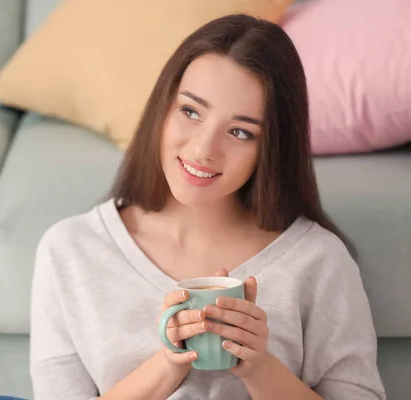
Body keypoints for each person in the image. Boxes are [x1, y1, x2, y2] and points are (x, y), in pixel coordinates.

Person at [29, 14, 386, 400]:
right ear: (162, 109)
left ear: (271, 149)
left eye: (240, 132)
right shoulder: (69, 251)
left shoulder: (319, 261)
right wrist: (169, 364)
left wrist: (260, 368)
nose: (203, 150)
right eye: (191, 111)